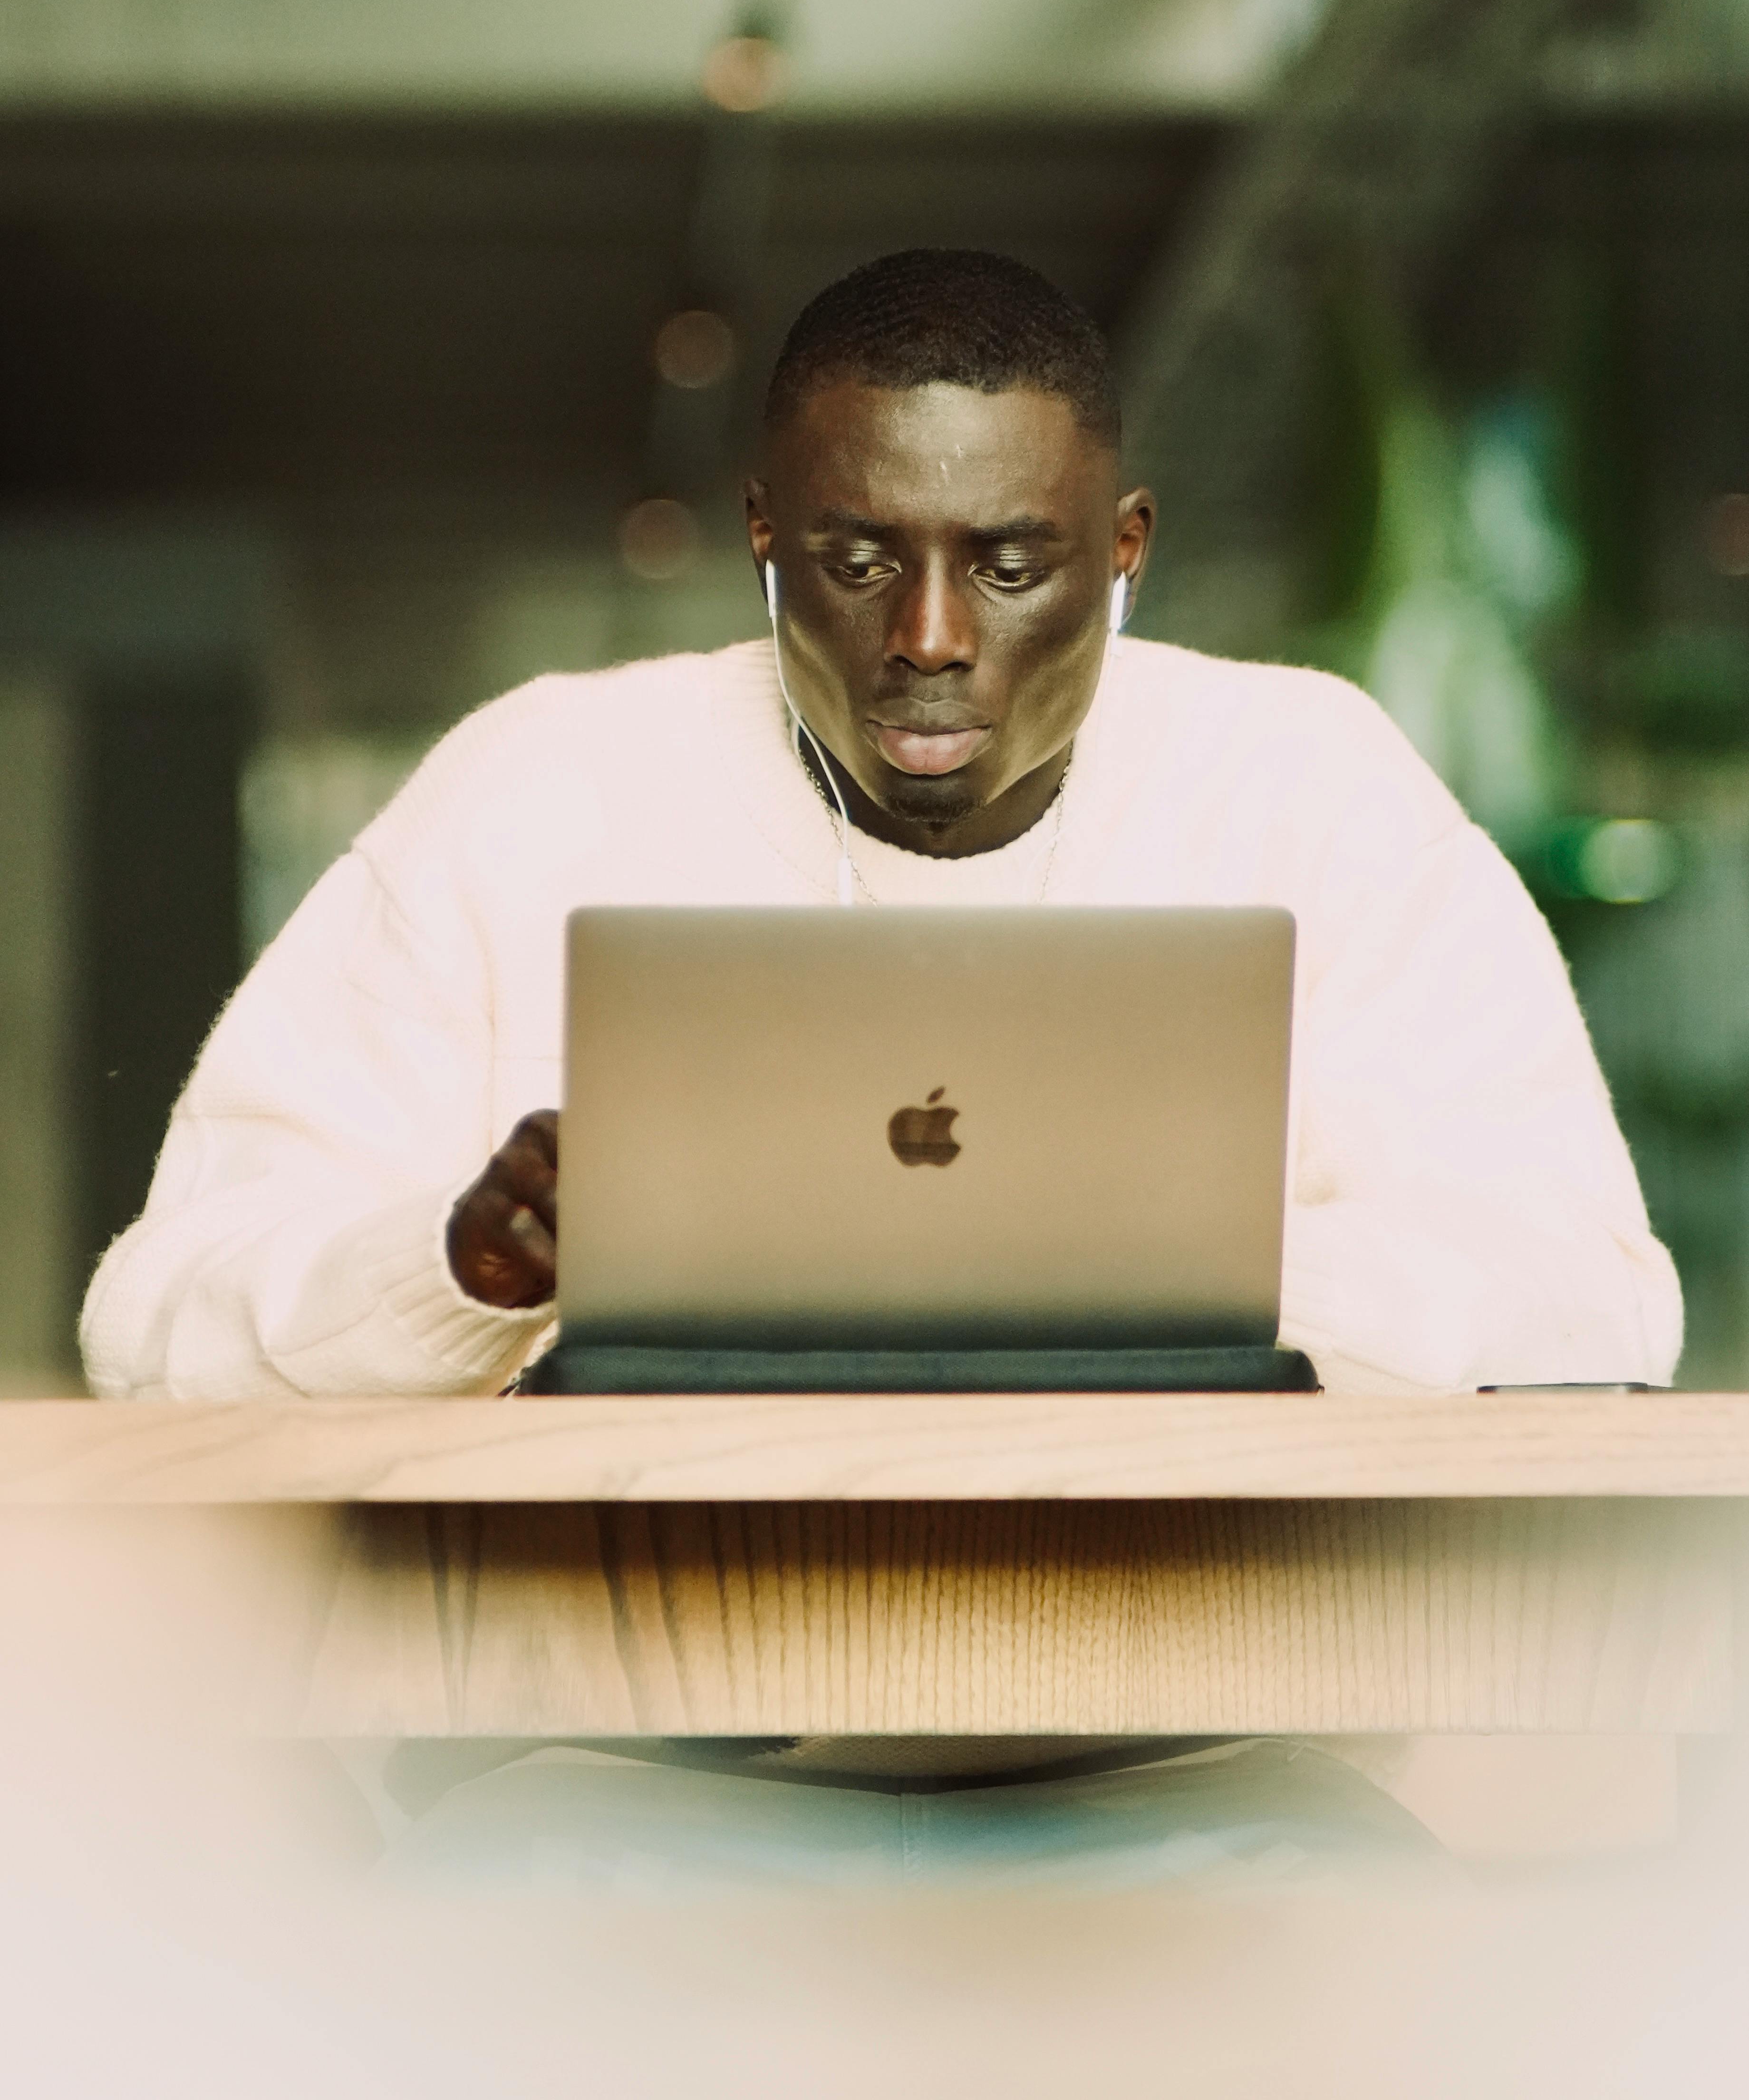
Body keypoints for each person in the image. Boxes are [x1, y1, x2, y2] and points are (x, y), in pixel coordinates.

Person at [77, 246, 1681, 1890]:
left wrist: (1196, 1260)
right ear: (765, 535)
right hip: (602, 1785)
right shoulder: (533, 790)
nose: (928, 636)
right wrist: (457, 1263)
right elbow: (154, 1321)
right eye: (857, 558)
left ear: (1124, 552)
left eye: (1008, 563)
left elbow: (1598, 1303)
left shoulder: (1316, 792)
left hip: (1209, 1773)